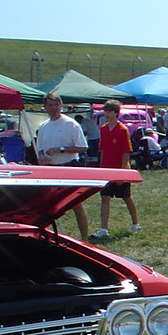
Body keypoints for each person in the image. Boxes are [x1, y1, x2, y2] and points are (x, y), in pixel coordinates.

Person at [35, 93, 89, 237]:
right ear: (45, 107)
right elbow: (40, 148)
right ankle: (49, 235)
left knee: (76, 204)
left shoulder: (71, 124)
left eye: (56, 105)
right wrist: (41, 157)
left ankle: (85, 237)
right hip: (51, 170)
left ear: (61, 105)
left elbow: (83, 147)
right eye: (50, 105)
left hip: (69, 167)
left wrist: (62, 149)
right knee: (49, 206)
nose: (53, 108)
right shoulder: (43, 127)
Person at [91, 99, 140, 239]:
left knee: (126, 197)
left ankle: (135, 223)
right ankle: (103, 228)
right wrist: (101, 170)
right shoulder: (104, 129)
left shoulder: (122, 130)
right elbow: (103, 151)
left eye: (109, 111)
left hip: (120, 169)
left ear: (115, 113)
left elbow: (126, 152)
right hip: (106, 170)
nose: (106, 113)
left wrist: (122, 172)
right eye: (105, 110)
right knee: (105, 198)